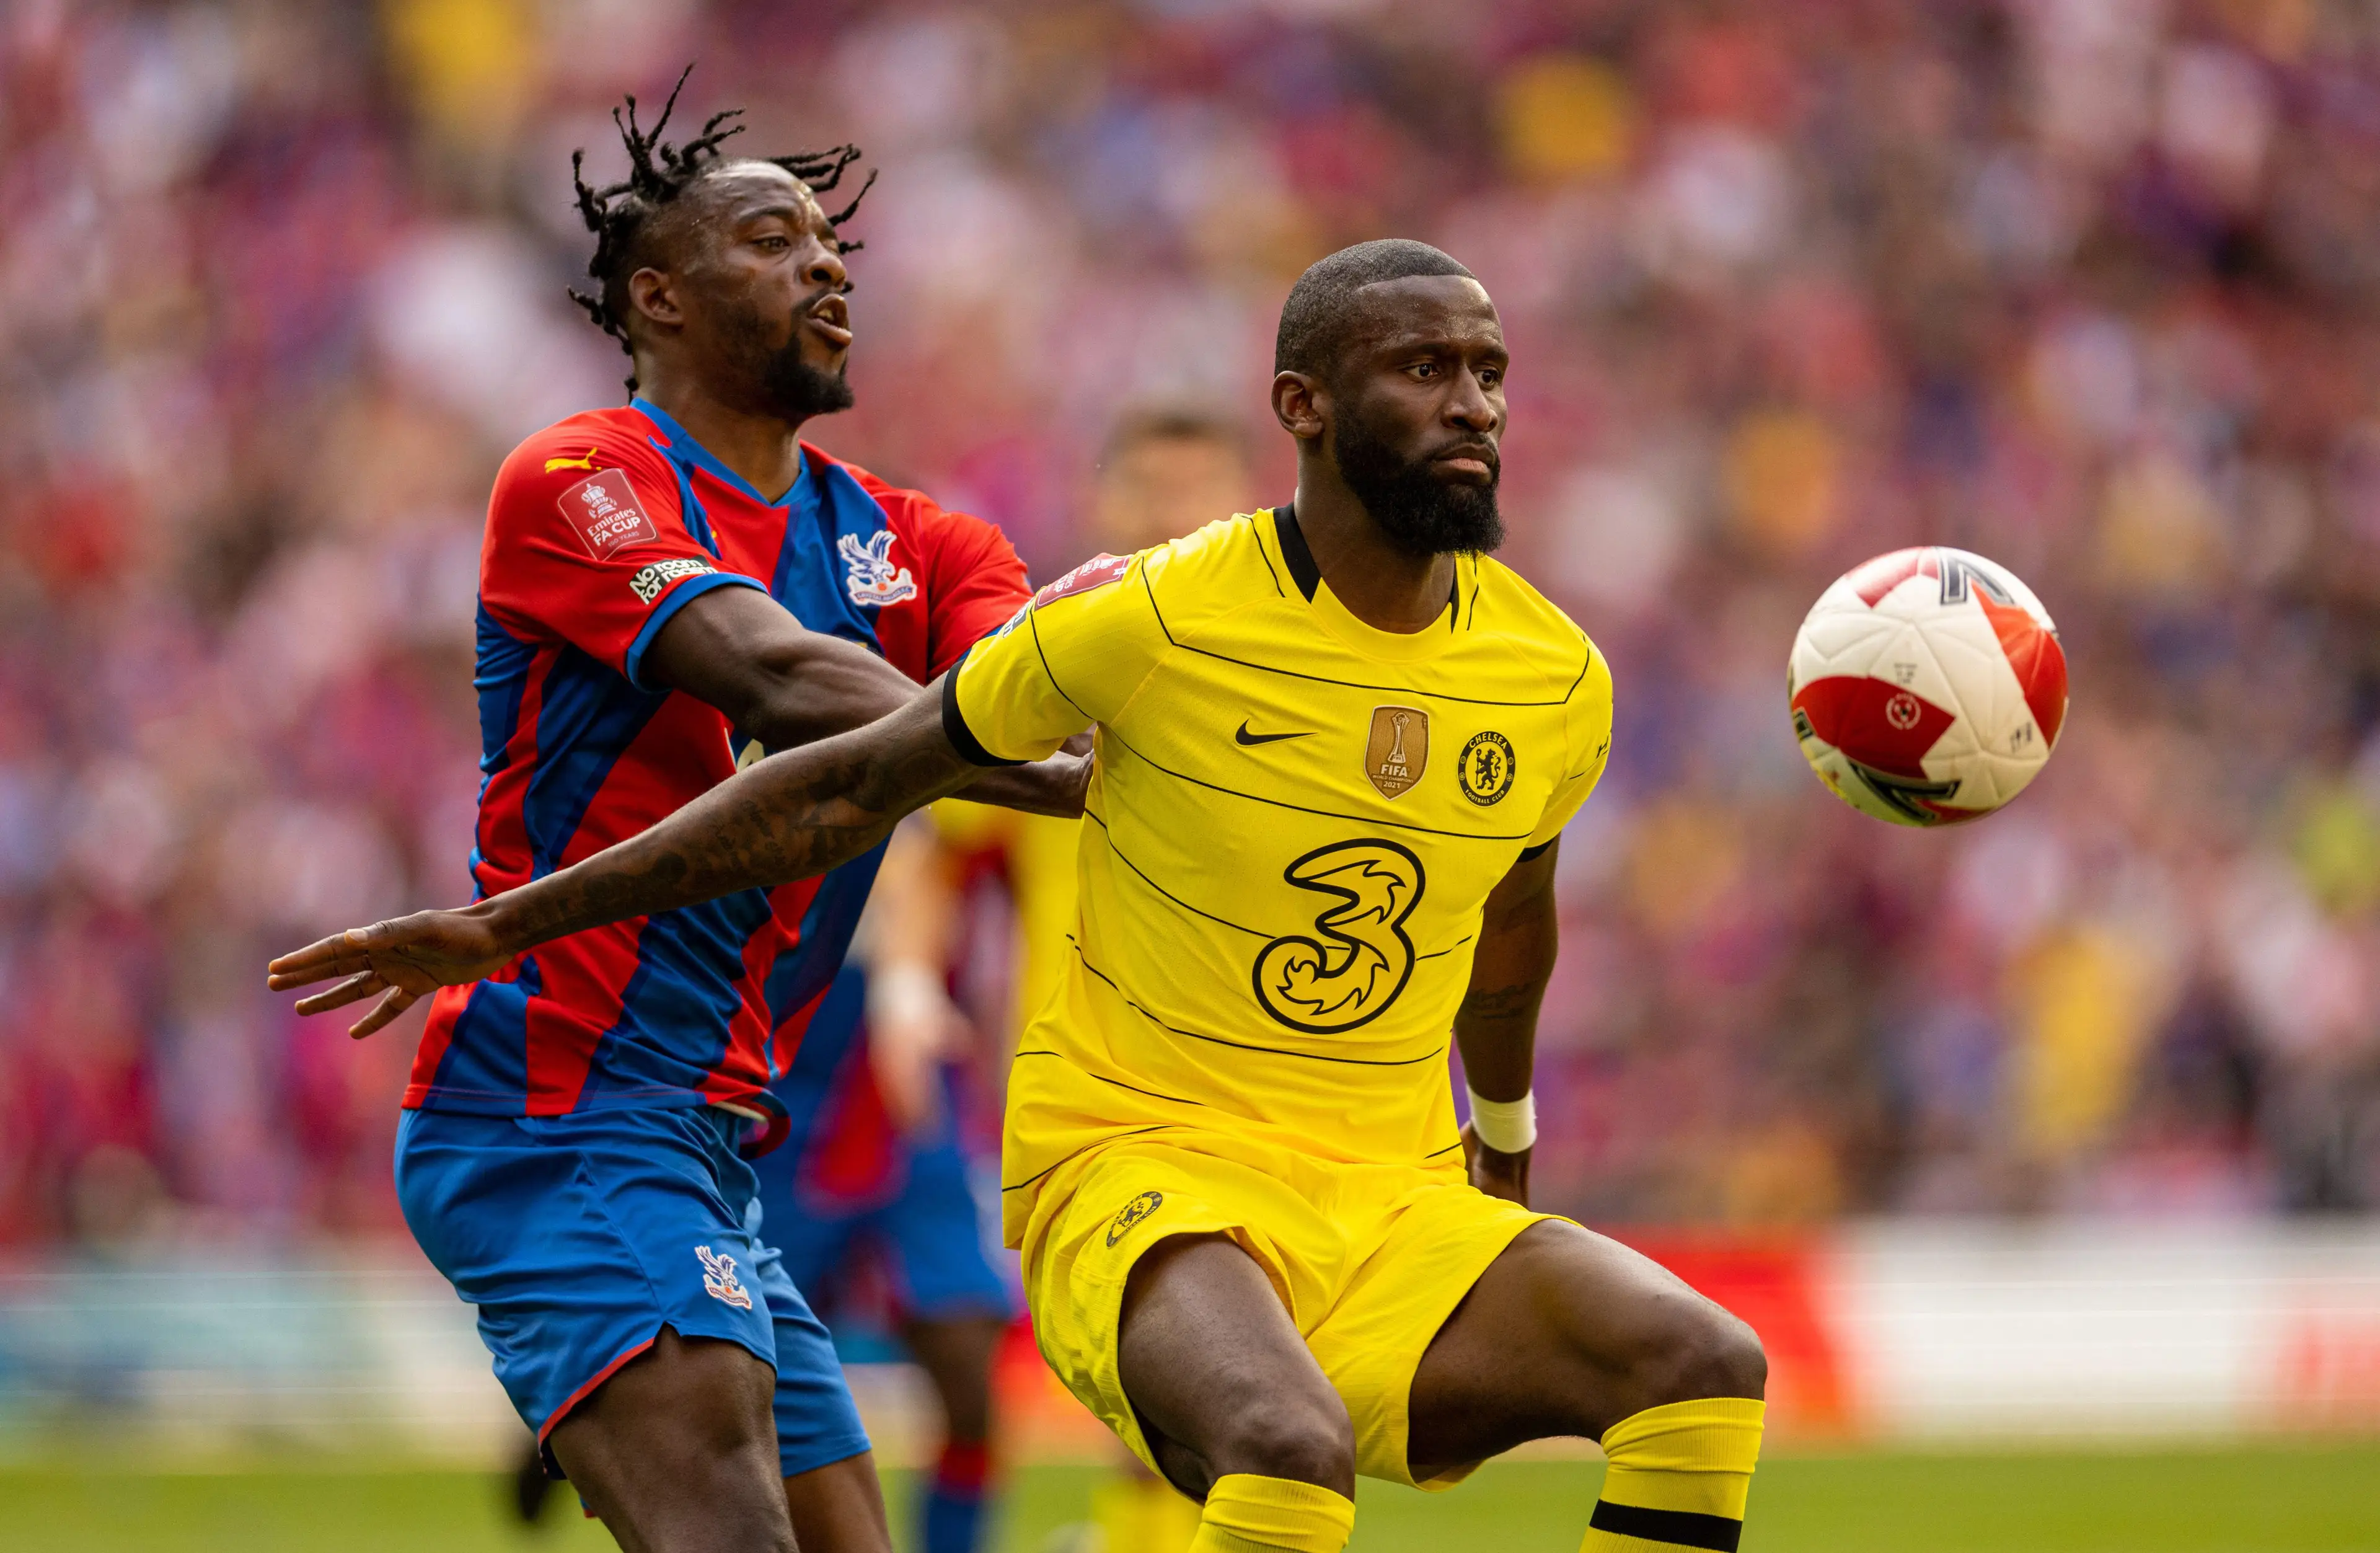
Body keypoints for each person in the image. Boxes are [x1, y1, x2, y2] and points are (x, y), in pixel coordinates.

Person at [273, 239, 1769, 1553]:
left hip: (1385, 1187)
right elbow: (852, 782)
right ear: (1303, 406)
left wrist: (1504, 1138)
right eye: (1426, 368)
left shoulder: (1554, 678)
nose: (1475, 404)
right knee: (1277, 1444)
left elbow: (1511, 930)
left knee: (1708, 1367)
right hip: (1140, 1168)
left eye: (1489, 372)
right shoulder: (1144, 619)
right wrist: (510, 923)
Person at [356, 73, 1082, 1553]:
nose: (825, 267)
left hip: (712, 1133)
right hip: (553, 1103)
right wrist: (1020, 749)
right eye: (771, 241)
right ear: (659, 298)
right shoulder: (579, 479)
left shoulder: (924, 542)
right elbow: (776, 673)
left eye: (831, 246)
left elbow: (1043, 706)